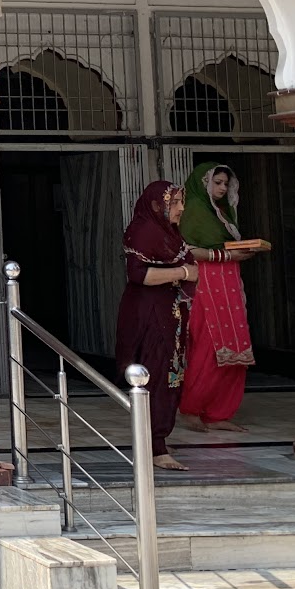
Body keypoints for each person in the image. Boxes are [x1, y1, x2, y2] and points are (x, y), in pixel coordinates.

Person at [116, 181, 198, 471]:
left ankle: (157, 438)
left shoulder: (168, 232)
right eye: (175, 203)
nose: (181, 209)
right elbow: (139, 274)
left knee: (170, 376)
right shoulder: (144, 232)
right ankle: (155, 446)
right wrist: (184, 271)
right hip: (150, 315)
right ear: (156, 205)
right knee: (156, 375)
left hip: (169, 312)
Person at [178, 163, 263, 432]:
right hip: (204, 284)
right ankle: (191, 408)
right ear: (203, 183)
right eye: (217, 183)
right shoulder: (192, 211)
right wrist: (227, 255)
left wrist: (240, 252)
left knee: (236, 347)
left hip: (228, 283)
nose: (223, 188)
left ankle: (219, 412)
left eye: (226, 183)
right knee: (207, 345)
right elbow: (188, 251)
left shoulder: (223, 213)